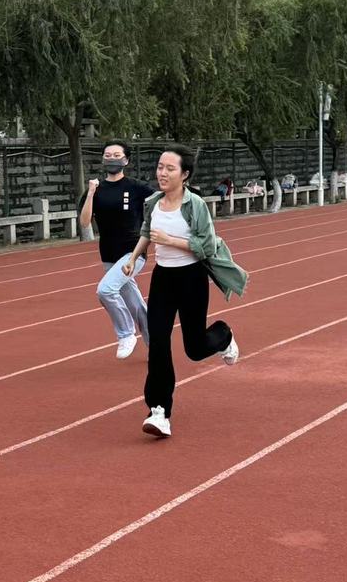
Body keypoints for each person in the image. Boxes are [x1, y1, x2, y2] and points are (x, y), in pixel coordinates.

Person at [123, 146, 247, 438]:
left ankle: (223, 335)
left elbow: (206, 245)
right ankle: (159, 411)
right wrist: (133, 258)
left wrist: (170, 240)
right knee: (158, 343)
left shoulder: (195, 205)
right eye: (160, 167)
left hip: (191, 278)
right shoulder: (153, 202)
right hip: (163, 278)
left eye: (170, 168)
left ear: (185, 174)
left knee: (195, 348)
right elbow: (146, 232)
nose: (162, 173)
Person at [78, 141, 154, 359]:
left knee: (106, 290)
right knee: (135, 304)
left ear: (126, 160)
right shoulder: (96, 189)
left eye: (117, 155)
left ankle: (126, 333)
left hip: (133, 252)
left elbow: (161, 202)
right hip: (109, 255)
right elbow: (84, 222)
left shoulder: (137, 187)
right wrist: (91, 193)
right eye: (108, 155)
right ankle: (156, 344)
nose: (112, 158)